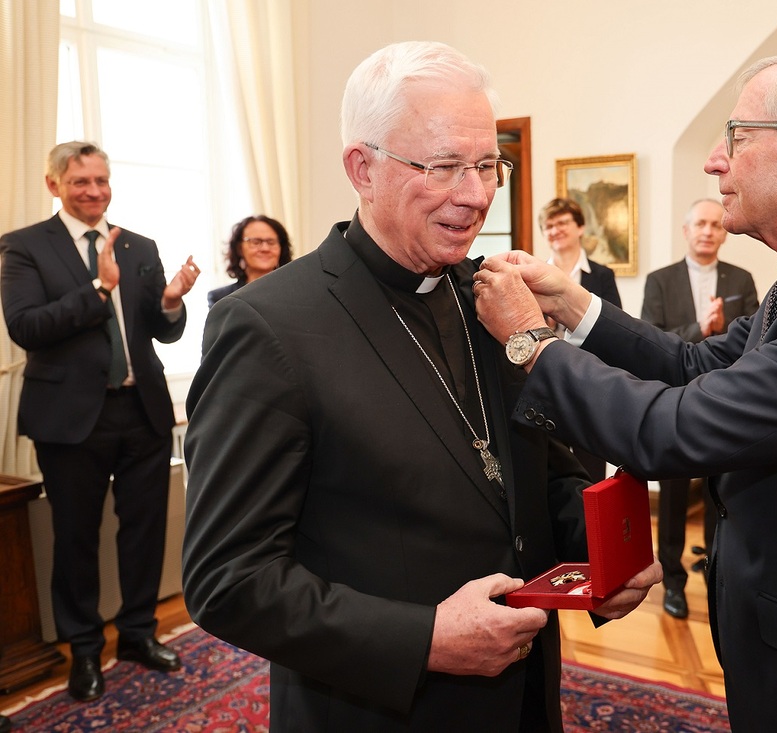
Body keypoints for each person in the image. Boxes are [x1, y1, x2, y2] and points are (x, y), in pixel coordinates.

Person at [473, 48, 777, 731]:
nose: (714, 159)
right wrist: (571, 304)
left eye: (738, 136)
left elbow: (672, 429)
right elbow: (692, 365)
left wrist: (531, 342)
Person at [181, 41, 659, 733]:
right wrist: (425, 637)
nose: (474, 193)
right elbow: (228, 578)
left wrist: (597, 562)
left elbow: (538, 479)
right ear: (362, 168)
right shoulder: (266, 327)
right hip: (378, 710)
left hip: (525, 698)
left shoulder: (494, 299)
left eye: (486, 163)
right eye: (441, 167)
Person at [0, 141, 200, 702]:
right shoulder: (23, 247)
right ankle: (84, 649)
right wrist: (99, 289)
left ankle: (138, 633)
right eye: (80, 181)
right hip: (69, 419)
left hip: (143, 411)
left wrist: (170, 302)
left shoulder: (140, 244)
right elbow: (26, 327)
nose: (93, 191)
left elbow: (162, 332)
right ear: (54, 185)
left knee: (143, 530)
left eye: (102, 180)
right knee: (76, 537)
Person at [640, 198, 758, 619]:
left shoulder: (741, 279)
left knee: (720, 495)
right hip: (674, 402)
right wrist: (700, 330)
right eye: (700, 224)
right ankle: (672, 580)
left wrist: (718, 331)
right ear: (686, 231)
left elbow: (755, 345)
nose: (708, 231)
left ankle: (714, 571)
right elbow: (651, 339)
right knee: (672, 500)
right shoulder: (660, 280)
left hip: (727, 403)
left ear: (724, 232)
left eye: (715, 224)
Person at [540, 197, 621, 482]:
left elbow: (614, 330)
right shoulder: (532, 275)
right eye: (548, 226)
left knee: (591, 473)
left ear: (580, 228)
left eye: (562, 223)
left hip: (589, 383)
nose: (555, 230)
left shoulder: (602, 275)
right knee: (553, 471)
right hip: (549, 383)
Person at [207, 215, 292, 307]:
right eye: (256, 242)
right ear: (239, 248)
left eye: (271, 242)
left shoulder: (297, 293)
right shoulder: (221, 298)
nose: (265, 248)